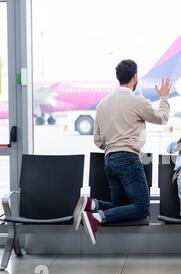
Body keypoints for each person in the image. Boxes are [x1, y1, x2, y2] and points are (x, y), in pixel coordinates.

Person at [74, 59, 172, 245]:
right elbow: (162, 118)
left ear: (118, 77)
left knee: (121, 208)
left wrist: (113, 147)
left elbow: (97, 140)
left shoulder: (103, 104)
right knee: (141, 208)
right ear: (135, 77)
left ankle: (92, 205)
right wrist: (164, 97)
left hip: (109, 159)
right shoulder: (137, 101)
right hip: (128, 158)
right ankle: (96, 217)